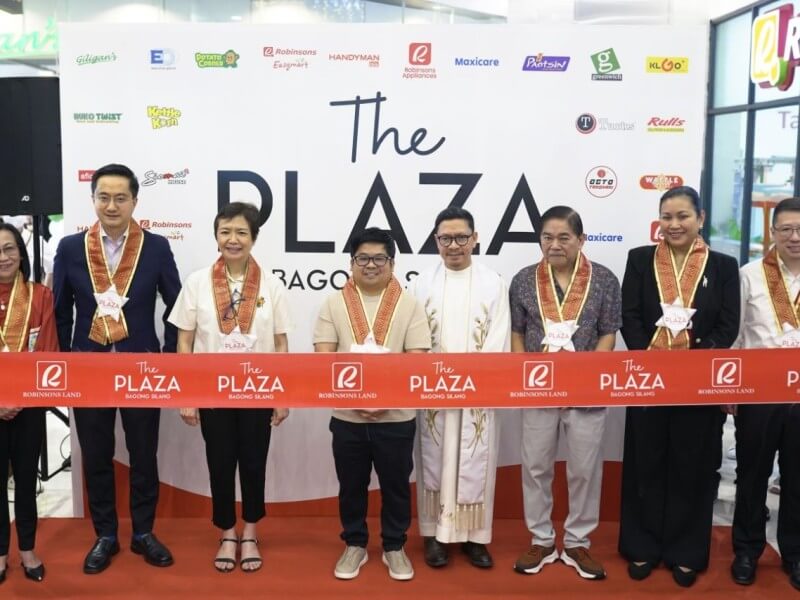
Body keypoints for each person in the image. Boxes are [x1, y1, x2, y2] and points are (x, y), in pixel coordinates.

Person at [53, 163, 181, 574]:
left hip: (141, 369)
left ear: (134, 202)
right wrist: (68, 365)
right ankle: (105, 534)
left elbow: (176, 306)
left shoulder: (156, 247)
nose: (111, 205)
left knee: (144, 453)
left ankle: (143, 532)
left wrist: (166, 356)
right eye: (103, 197)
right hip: (89, 370)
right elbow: (60, 312)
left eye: (120, 197)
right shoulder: (72, 248)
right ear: (93, 200)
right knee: (96, 454)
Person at [618, 185, 740, 588]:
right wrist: (651, 359)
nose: (674, 224)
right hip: (648, 381)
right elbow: (630, 315)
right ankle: (642, 546)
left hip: (698, 384)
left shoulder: (723, 266)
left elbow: (728, 324)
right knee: (646, 464)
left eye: (683, 216)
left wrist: (694, 361)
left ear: (700, 218)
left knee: (693, 466)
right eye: (667, 217)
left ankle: (686, 552)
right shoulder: (639, 260)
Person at [169, 202, 292, 573]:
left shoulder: (271, 284)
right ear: (216, 236)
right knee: (220, 463)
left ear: (254, 238)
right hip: (213, 392)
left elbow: (282, 344)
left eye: (241, 232)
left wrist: (282, 396)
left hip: (258, 391)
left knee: (254, 463)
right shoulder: (196, 282)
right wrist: (188, 396)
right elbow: (185, 342)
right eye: (225, 232)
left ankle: (250, 530)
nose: (233, 240)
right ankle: (226, 532)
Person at [509, 206, 621, 580]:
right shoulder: (524, 279)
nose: (554, 244)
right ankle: (541, 538)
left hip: (586, 392)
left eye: (563, 237)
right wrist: (527, 377)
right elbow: (519, 331)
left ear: (580, 239)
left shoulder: (603, 279)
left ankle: (576, 542)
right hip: (539, 390)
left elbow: (609, 331)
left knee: (584, 470)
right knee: (536, 467)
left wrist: (588, 375)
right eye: (547, 237)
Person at [314, 227, 431, 581]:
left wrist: (384, 399)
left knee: (396, 485)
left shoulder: (409, 304)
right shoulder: (334, 303)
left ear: (392, 264)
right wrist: (356, 399)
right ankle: (355, 544)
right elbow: (324, 357)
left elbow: (417, 358)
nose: (370, 265)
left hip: (395, 417)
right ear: (351, 263)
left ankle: (395, 547)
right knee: (351, 484)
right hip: (347, 416)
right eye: (362, 258)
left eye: (379, 258)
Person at [408, 207, 510, 569]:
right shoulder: (421, 282)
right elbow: (414, 337)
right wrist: (434, 377)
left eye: (461, 238)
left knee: (474, 459)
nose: (454, 246)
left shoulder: (492, 282)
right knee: (434, 459)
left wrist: (474, 380)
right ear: (436, 241)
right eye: (445, 239)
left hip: (477, 393)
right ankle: (435, 536)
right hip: (433, 391)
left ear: (475, 238)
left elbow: (499, 337)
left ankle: (475, 538)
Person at [728, 197, 800, 591]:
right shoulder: (750, 275)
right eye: (786, 229)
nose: (794, 237)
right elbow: (737, 336)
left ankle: (795, 552)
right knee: (752, 475)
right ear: (772, 233)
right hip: (760, 392)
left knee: (798, 478)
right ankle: (746, 549)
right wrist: (732, 389)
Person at [0, 223, 57, 584]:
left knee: (25, 479)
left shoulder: (40, 297)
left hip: (29, 406)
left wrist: (19, 397)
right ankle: (0, 553)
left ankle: (28, 550)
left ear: (21, 252)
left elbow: (48, 352)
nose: (2, 258)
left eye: (8, 249)